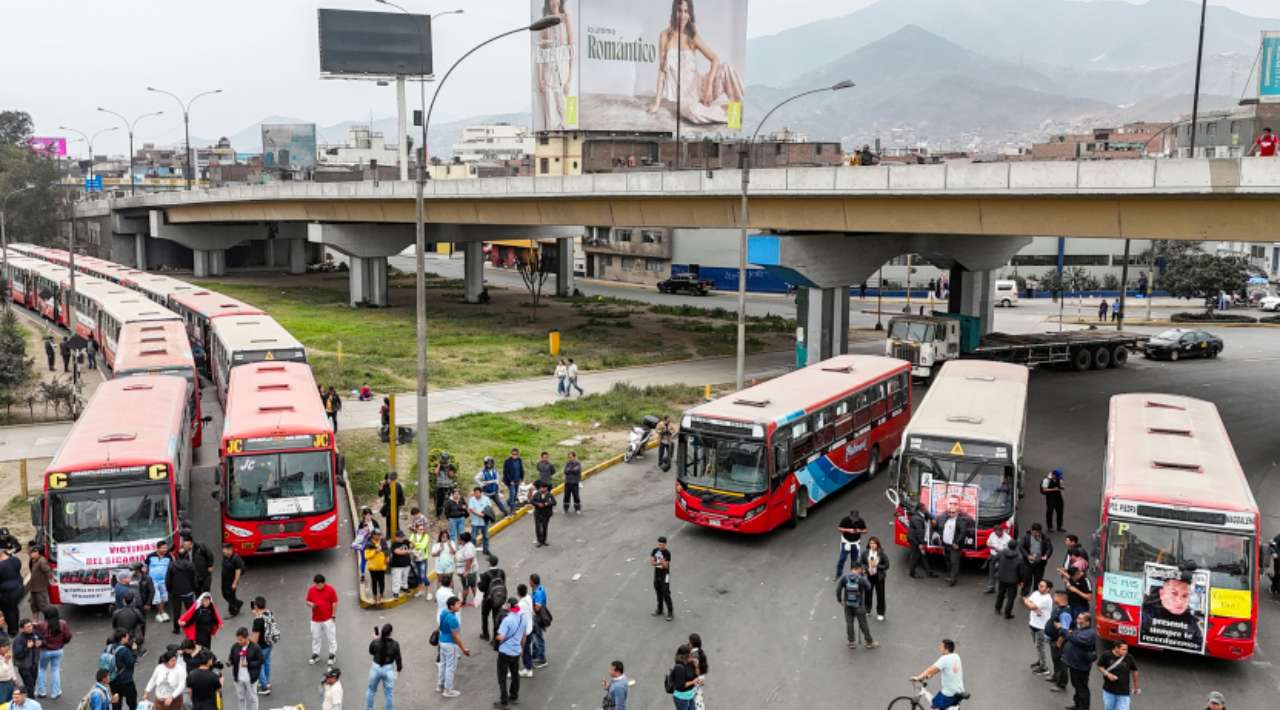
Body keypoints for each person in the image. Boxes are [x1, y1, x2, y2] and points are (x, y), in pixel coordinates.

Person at [911, 639, 965, 709]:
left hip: (949, 693)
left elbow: (931, 669)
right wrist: (931, 674)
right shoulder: (956, 656)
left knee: (934, 706)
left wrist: (918, 677)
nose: (940, 648)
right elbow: (940, 668)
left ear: (946, 649)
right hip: (959, 690)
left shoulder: (945, 659)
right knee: (939, 704)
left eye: (941, 647)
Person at [835, 562, 877, 649]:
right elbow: (869, 587)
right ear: (857, 568)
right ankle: (869, 642)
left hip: (847, 604)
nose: (861, 570)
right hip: (859, 605)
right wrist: (864, 577)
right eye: (861, 569)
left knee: (849, 623)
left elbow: (838, 589)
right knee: (863, 623)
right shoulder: (861, 579)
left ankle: (851, 642)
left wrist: (840, 600)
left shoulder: (844, 577)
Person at [934, 500, 975, 586]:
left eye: (953, 512)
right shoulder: (945, 518)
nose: (951, 514)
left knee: (954, 562)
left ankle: (953, 579)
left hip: (954, 546)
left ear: (957, 512)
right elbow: (941, 528)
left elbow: (963, 533)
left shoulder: (961, 521)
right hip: (946, 545)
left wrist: (956, 543)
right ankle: (949, 575)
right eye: (949, 512)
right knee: (948, 561)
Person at [1063, 612, 1098, 710]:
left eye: (1080, 619)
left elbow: (1075, 639)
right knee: (1077, 686)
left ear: (1087, 622)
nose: (1078, 620)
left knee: (1082, 688)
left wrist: (1065, 632)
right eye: (1078, 618)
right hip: (1075, 664)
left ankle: (1084, 707)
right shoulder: (1080, 629)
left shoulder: (1090, 633)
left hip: (1080, 666)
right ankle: (1078, 705)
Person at [437, 596, 470, 698]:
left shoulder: (443, 612)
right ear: (452, 606)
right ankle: (448, 690)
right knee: (450, 667)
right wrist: (463, 649)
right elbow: (455, 637)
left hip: (442, 641)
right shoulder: (453, 619)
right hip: (450, 644)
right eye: (457, 604)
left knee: (443, 664)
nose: (460, 605)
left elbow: (440, 627)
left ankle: (440, 685)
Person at [494, 597, 524, 708]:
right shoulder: (522, 619)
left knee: (502, 677)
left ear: (509, 606)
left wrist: (496, 638)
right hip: (516, 652)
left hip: (505, 652)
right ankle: (514, 695)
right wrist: (521, 648)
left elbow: (501, 637)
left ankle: (504, 701)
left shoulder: (507, 620)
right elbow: (523, 637)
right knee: (515, 674)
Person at [33, 606, 69, 699]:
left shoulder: (41, 625)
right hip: (58, 650)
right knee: (55, 669)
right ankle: (55, 692)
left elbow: (34, 632)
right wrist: (61, 643)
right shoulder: (63, 623)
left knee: (42, 669)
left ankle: (42, 692)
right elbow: (67, 636)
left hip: (45, 651)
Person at [1023, 579, 1055, 675]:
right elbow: (1029, 602)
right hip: (1033, 623)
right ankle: (1040, 661)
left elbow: (1031, 605)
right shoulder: (1036, 593)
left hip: (1041, 627)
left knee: (1040, 647)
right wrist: (1029, 602)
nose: (1039, 587)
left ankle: (1044, 668)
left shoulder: (1047, 599)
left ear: (1048, 589)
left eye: (1042, 586)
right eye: (1039, 585)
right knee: (1037, 646)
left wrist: (1028, 602)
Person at [366, 624, 401, 710]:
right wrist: (398, 670)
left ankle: (369, 708)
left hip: (376, 667)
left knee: (371, 690)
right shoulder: (395, 644)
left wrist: (374, 640)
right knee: (389, 693)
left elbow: (371, 651)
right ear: (391, 633)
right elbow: (398, 659)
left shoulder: (376, 642)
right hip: (388, 669)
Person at [306, 574, 339, 666]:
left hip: (328, 619)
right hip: (315, 619)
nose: (317, 586)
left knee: (331, 637)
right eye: (316, 584)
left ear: (323, 583)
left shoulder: (330, 590)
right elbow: (308, 601)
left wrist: (333, 615)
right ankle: (315, 654)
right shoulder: (312, 590)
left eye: (319, 584)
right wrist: (311, 604)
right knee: (316, 637)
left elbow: (334, 603)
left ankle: (332, 654)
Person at [227, 627, 263, 710]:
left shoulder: (255, 647)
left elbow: (261, 661)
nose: (238, 642)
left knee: (253, 699)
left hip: (251, 678)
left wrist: (249, 664)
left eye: (240, 640)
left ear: (247, 638)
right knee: (240, 698)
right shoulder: (235, 646)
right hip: (238, 678)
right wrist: (229, 662)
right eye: (237, 639)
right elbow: (231, 657)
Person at [1097, 640, 1139, 710]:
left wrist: (1136, 686)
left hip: (1124, 692)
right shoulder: (1106, 655)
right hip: (1108, 691)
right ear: (1116, 648)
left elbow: (1135, 670)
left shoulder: (1129, 657)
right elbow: (1099, 666)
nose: (1126, 651)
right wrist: (1107, 674)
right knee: (1109, 708)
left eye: (1126, 649)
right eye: (1123, 649)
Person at [249, 597, 277, 697]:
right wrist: (256, 614)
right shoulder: (269, 613)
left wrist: (248, 644)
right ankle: (266, 681)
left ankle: (264, 687)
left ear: (256, 606)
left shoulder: (257, 621)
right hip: (269, 643)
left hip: (261, 646)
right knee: (266, 662)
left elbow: (255, 638)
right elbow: (264, 623)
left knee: (258, 665)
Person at [104, 629, 138, 710]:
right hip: (126, 681)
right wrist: (134, 650)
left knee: (116, 702)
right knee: (132, 701)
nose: (128, 638)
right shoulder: (124, 650)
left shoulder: (107, 648)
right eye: (127, 637)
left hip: (112, 680)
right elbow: (131, 662)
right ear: (122, 638)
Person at [993, 540, 1027, 619]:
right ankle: (1007, 613)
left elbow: (994, 560)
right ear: (1016, 547)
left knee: (1001, 594)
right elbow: (1021, 571)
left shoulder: (1001, 553)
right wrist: (1021, 581)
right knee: (1011, 597)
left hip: (1002, 578)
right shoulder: (1019, 558)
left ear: (1008, 545)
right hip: (1013, 580)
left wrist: (997, 570)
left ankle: (997, 609)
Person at [1019, 523, 1055, 595]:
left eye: (1038, 532)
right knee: (1027, 579)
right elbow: (1021, 547)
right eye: (1035, 533)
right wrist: (1027, 555)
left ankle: (1036, 594)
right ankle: (1024, 593)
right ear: (1031, 531)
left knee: (1038, 579)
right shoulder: (1026, 537)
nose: (1036, 534)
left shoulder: (1045, 538)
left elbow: (1049, 548)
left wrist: (1046, 556)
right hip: (1028, 563)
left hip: (1040, 563)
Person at [861, 537, 890, 620]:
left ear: (877, 544)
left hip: (879, 577)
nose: (872, 545)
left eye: (874, 543)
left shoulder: (881, 554)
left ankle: (880, 612)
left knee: (880, 595)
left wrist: (877, 566)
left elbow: (887, 565)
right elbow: (862, 563)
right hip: (869, 576)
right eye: (871, 543)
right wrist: (865, 568)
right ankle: (867, 610)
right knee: (868, 593)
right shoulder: (865, 553)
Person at [666, 645, 702, 710]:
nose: (693, 656)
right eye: (691, 654)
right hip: (681, 698)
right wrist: (694, 682)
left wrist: (696, 666)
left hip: (690, 695)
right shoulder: (679, 668)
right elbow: (681, 685)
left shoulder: (690, 663)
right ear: (685, 656)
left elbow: (697, 675)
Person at [478, 564, 508, 641]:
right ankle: (495, 637)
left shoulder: (485, 575)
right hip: (498, 598)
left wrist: (479, 584)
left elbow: (482, 588)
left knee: (484, 615)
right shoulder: (501, 572)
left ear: (489, 564)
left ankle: (486, 634)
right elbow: (503, 583)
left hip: (488, 599)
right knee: (496, 617)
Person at [835, 509, 867, 580]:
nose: (855, 520)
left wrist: (860, 531)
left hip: (855, 543)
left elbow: (865, 530)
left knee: (854, 561)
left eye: (856, 518)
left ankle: (853, 574)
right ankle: (838, 574)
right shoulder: (845, 520)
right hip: (846, 542)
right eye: (854, 518)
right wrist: (848, 530)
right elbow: (839, 528)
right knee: (842, 559)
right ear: (850, 516)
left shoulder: (861, 521)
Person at [907, 502, 936, 578]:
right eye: (925, 508)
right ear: (921, 509)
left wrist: (932, 518)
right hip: (915, 541)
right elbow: (919, 532)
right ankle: (912, 573)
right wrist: (920, 544)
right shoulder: (917, 519)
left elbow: (928, 514)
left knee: (923, 555)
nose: (926, 509)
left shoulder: (921, 513)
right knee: (915, 557)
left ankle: (929, 572)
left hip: (917, 539)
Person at [146, 540, 172, 624]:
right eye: (163, 548)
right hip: (153, 581)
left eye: (166, 548)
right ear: (157, 548)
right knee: (157, 597)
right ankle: (162, 612)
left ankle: (161, 612)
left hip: (164, 581)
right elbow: (146, 567)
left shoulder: (169, 556)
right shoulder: (150, 556)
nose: (165, 549)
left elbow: (171, 567)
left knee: (164, 597)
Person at [12, 618, 40, 693]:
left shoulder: (34, 633)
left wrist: (41, 642)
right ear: (22, 629)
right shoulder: (18, 639)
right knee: (29, 686)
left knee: (33, 683)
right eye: (27, 627)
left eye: (31, 625)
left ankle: (28, 697)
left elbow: (42, 638)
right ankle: (30, 700)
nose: (30, 628)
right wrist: (27, 648)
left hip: (34, 664)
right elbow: (17, 655)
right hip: (25, 667)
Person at [984, 523, 1013, 593]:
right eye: (996, 532)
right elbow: (987, 543)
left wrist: (1002, 551)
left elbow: (1011, 549)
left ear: (1002, 531)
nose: (997, 534)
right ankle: (991, 588)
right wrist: (993, 547)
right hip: (993, 556)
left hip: (1003, 558)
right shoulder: (992, 535)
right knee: (991, 573)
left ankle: (1004, 590)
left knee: (1003, 574)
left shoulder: (1008, 538)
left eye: (999, 533)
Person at [514, 585, 535, 679]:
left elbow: (515, 613)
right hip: (530, 627)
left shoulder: (521, 604)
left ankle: (528, 669)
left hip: (524, 632)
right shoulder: (528, 597)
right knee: (527, 649)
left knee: (523, 650)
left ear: (518, 593)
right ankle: (528, 666)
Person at [0, 547, 22, 635]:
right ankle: (15, 627)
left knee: (8, 611)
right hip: (19, 588)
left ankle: (12, 630)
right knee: (14, 608)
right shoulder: (15, 560)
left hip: (7, 592)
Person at [468, 487, 495, 556]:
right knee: (473, 537)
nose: (476, 494)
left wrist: (485, 515)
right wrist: (480, 514)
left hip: (484, 521)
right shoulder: (471, 499)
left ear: (481, 492)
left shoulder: (486, 499)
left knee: (486, 536)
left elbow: (490, 508)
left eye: (477, 493)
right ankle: (472, 551)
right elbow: (471, 509)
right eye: (475, 493)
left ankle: (486, 550)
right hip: (475, 522)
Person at [528, 574, 548, 669]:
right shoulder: (538, 589)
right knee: (534, 636)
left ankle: (542, 659)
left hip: (537, 618)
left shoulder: (538, 593)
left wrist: (529, 605)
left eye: (530, 581)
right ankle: (536, 655)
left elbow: (537, 608)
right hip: (535, 617)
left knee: (538, 637)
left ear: (533, 582)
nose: (529, 582)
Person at [363, 532, 389, 604]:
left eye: (380, 535)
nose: (379, 536)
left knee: (381, 581)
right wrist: (375, 551)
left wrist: (387, 557)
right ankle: (374, 597)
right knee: (374, 582)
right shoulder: (368, 544)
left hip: (382, 566)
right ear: (373, 535)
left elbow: (387, 551)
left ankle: (381, 596)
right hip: (373, 568)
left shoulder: (383, 541)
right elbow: (366, 556)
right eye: (377, 535)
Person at [651, 537, 674, 621]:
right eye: (659, 544)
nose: (659, 546)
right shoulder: (655, 551)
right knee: (658, 591)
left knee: (666, 593)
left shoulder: (667, 553)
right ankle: (660, 609)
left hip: (665, 575)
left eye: (661, 544)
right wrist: (660, 561)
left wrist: (660, 560)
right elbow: (652, 563)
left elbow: (665, 566)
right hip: (657, 574)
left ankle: (670, 612)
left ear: (665, 544)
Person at [26, 546, 51, 621]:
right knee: (34, 607)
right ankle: (35, 621)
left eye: (30, 553)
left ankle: (48, 622)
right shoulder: (33, 560)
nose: (29, 555)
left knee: (44, 606)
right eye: (29, 553)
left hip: (40, 589)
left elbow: (49, 573)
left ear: (36, 552)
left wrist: (46, 583)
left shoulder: (42, 561)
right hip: (33, 589)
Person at [221, 543, 245, 618]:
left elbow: (238, 571)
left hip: (231, 581)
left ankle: (233, 612)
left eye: (224, 550)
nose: (223, 552)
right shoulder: (225, 556)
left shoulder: (236, 558)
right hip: (225, 580)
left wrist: (234, 583)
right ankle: (238, 603)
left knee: (230, 596)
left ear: (229, 550)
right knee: (224, 594)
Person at [432, 531, 457, 599]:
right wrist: (440, 549)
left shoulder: (451, 543)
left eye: (446, 536)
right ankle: (439, 596)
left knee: (450, 580)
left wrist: (449, 545)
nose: (445, 538)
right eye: (443, 536)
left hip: (449, 565)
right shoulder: (436, 544)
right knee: (440, 580)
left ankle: (451, 596)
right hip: (439, 566)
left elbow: (454, 552)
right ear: (440, 537)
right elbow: (433, 554)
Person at [409, 524, 432, 599]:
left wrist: (415, 544)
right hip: (415, 558)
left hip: (423, 558)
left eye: (422, 529)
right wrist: (417, 545)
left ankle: (429, 592)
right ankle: (420, 591)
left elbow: (423, 546)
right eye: (420, 529)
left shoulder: (426, 536)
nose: (421, 531)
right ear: (416, 529)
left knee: (423, 575)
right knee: (418, 575)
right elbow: (410, 544)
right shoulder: (412, 535)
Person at [456, 533, 479, 608]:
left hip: (469, 572)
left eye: (459, 539)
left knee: (467, 587)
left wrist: (466, 571)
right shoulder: (465, 545)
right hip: (468, 571)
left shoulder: (468, 548)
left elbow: (469, 560)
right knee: (472, 586)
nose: (458, 540)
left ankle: (463, 602)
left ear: (463, 541)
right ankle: (476, 600)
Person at [388, 532, 412, 600]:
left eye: (402, 536)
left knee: (405, 578)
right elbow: (397, 551)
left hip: (406, 564)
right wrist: (407, 551)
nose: (402, 538)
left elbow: (413, 546)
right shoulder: (394, 544)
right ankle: (396, 592)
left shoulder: (405, 541)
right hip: (397, 566)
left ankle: (405, 588)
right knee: (397, 579)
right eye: (400, 537)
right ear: (396, 537)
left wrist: (411, 543)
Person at [530, 481, 555, 547]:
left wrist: (547, 504)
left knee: (544, 527)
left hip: (546, 514)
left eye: (544, 488)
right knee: (538, 527)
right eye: (541, 488)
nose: (542, 489)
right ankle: (539, 541)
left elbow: (554, 502)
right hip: (538, 513)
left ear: (546, 488)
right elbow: (532, 501)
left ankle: (544, 540)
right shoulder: (536, 494)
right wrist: (538, 504)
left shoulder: (550, 495)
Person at [434, 454, 458, 519]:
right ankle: (438, 515)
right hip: (440, 485)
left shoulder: (450, 466)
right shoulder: (438, 465)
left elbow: (451, 476)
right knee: (439, 501)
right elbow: (435, 473)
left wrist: (448, 468)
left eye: (446, 460)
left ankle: (449, 514)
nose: (444, 461)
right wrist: (439, 464)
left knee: (450, 500)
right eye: (443, 459)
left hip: (449, 485)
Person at [0, 639, 14, 704]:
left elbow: (11, 668)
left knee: (11, 703)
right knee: (2, 703)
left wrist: (14, 678)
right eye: (4, 647)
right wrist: (6, 661)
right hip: (1, 684)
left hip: (10, 682)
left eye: (8, 646)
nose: (7, 648)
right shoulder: (7, 657)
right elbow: (1, 674)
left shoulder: (7, 654)